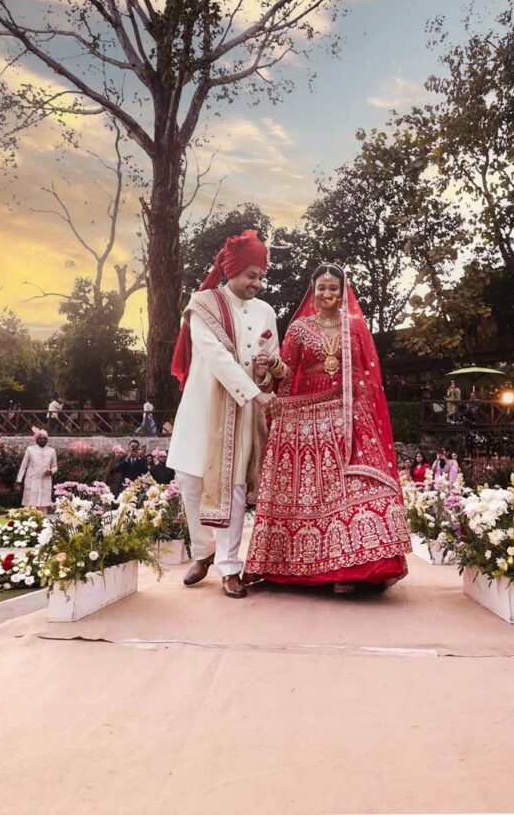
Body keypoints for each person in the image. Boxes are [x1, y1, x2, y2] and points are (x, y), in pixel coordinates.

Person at [245, 264, 411, 591]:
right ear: (313, 290)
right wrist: (269, 369)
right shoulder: (298, 329)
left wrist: (359, 408)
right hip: (305, 419)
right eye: (321, 287)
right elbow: (288, 373)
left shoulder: (354, 328)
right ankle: (308, 570)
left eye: (333, 287)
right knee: (312, 495)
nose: (327, 294)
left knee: (360, 484)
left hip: (346, 416)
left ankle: (352, 570)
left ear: (343, 290)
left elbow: (364, 374)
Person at [168, 229, 277, 600]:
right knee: (191, 480)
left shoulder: (266, 312)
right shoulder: (203, 305)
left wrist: (265, 371)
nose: (257, 283)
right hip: (204, 407)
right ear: (232, 270)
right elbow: (215, 357)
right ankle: (204, 552)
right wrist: (255, 394)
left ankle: (230, 567)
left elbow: (271, 359)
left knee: (233, 486)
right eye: (251, 275)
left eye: (261, 276)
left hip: (242, 414)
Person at [14, 429, 57, 515]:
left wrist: (51, 471)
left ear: (47, 439)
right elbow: (23, 466)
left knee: (43, 504)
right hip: (32, 480)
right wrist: (19, 481)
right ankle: (30, 524)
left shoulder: (51, 451)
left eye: (44, 438)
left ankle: (43, 524)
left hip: (45, 480)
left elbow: (55, 467)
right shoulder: (30, 450)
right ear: (36, 439)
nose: (42, 440)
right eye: (40, 438)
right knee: (31, 503)